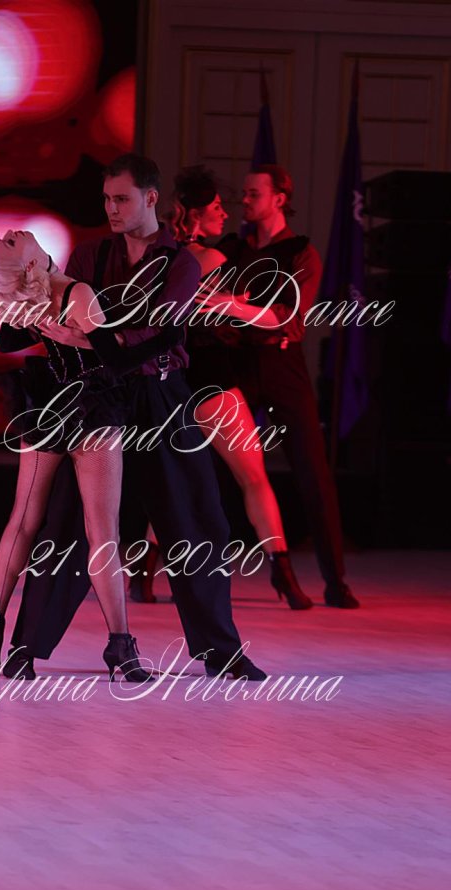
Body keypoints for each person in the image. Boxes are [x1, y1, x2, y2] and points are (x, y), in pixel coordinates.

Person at [5, 154, 267, 682]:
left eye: (121, 199)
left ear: (150, 198)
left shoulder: (181, 264)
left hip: (160, 398)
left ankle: (220, 649)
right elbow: (60, 314)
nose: (112, 208)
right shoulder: (89, 255)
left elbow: (150, 334)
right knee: (68, 523)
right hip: (98, 397)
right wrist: (65, 329)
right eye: (106, 199)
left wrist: (88, 336)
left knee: (196, 519)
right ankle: (25, 646)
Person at [0, 229, 151, 683]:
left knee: (23, 520)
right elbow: (116, 362)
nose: (12, 233)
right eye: (10, 244)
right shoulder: (78, 292)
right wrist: (88, 340)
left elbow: (5, 343)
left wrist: (38, 319)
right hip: (91, 407)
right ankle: (120, 643)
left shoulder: (34, 299)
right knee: (102, 532)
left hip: (47, 406)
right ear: (30, 265)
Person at [195, 164, 359, 608]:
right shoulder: (232, 249)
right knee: (210, 466)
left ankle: (335, 581)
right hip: (237, 364)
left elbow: (289, 318)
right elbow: (203, 296)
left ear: (279, 199)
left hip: (283, 364)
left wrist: (235, 306)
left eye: (253, 194)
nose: (244, 201)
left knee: (312, 471)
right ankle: (164, 570)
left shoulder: (301, 253)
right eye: (244, 194)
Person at [168, 165, 312, 610]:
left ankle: (142, 574)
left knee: (178, 481)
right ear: (195, 215)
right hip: (210, 379)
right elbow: (268, 315)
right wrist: (241, 308)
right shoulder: (213, 261)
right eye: (216, 207)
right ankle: (284, 575)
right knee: (253, 478)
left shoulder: (158, 256)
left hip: (169, 380)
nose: (226, 214)